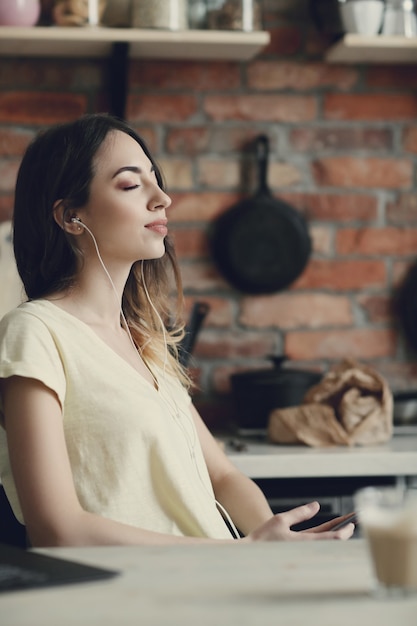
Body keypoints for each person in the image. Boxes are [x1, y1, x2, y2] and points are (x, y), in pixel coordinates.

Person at [0, 113, 354, 547]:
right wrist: (236, 554)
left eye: (156, 180)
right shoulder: (35, 332)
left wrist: (270, 539)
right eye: (131, 185)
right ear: (71, 216)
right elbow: (56, 527)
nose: (162, 198)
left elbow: (222, 474)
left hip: (206, 583)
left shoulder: (144, 339)